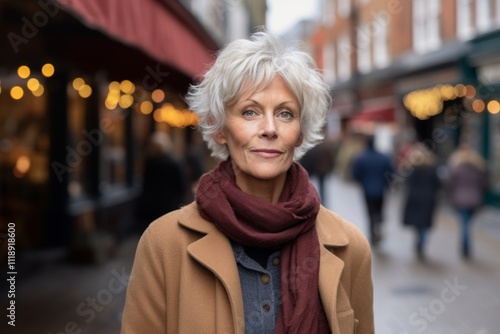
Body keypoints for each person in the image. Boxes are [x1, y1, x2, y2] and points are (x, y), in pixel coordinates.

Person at [121, 31, 374, 334]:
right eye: (249, 112)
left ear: (300, 132)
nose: (269, 128)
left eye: (285, 113)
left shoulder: (350, 247)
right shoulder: (163, 245)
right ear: (220, 129)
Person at [134, 131, 187, 233]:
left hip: (152, 204)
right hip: (169, 204)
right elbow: (181, 184)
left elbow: (145, 185)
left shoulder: (150, 163)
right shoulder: (174, 162)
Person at [445, 144, 488, 259]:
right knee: (467, 223)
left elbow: (449, 183)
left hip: (460, 199)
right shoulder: (477, 169)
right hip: (474, 199)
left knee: (464, 224)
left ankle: (465, 248)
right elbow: (484, 184)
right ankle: (466, 247)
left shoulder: (457, 168)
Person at [401, 142, 441, 260]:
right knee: (424, 223)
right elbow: (438, 184)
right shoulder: (432, 169)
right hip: (428, 199)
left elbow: (407, 182)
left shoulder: (412, 169)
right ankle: (421, 242)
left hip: (415, 198)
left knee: (418, 223)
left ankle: (418, 241)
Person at [352, 134, 394, 246]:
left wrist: (362, 182)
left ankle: (372, 232)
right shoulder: (383, 157)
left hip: (367, 190)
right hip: (381, 190)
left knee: (370, 212)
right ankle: (378, 225)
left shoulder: (361, 157)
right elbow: (390, 172)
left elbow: (356, 173)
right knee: (379, 210)